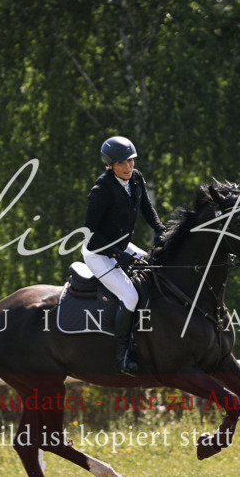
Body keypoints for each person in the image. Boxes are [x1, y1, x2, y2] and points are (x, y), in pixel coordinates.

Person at [83, 136, 166, 374]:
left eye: (130, 160)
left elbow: (147, 208)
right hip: (97, 252)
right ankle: (122, 356)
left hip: (121, 247)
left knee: (155, 270)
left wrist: (160, 229)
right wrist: (117, 255)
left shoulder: (136, 178)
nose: (128, 167)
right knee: (130, 296)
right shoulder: (101, 190)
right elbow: (90, 234)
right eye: (122, 163)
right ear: (110, 165)